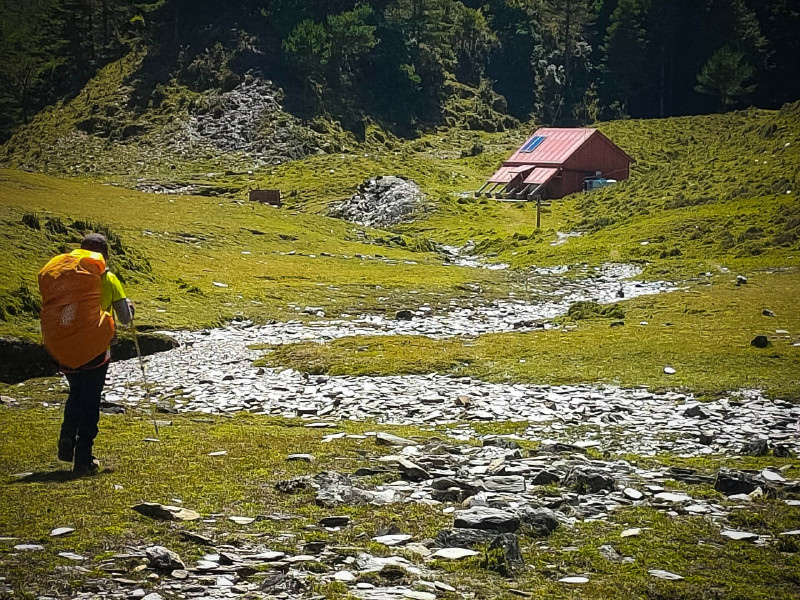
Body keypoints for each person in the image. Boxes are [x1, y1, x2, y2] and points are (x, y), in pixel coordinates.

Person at [38, 233, 134, 475]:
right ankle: (83, 458)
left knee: (76, 393)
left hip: (64, 347)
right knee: (91, 399)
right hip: (95, 349)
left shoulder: (66, 277)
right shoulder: (108, 279)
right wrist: (130, 308)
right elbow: (125, 318)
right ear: (105, 255)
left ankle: (67, 436)